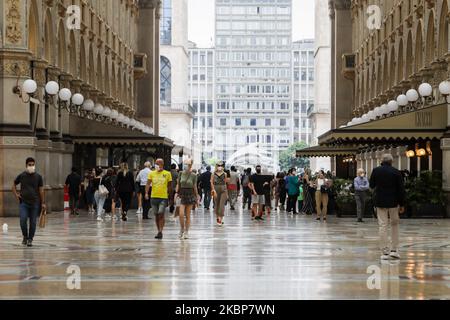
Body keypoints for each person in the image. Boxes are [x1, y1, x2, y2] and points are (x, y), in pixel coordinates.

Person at [370, 154, 406, 260]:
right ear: (391, 161)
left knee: (383, 225)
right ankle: (394, 250)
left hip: (380, 202)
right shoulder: (396, 172)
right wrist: (402, 204)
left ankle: (384, 251)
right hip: (394, 202)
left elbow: (371, 185)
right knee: (394, 224)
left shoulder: (376, 170)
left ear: (382, 161)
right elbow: (401, 189)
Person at [12, 157, 46, 247]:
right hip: (24, 203)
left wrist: (43, 203)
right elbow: (14, 184)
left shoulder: (38, 177)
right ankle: (25, 236)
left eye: (33, 165)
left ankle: (30, 239)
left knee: (33, 222)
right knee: (22, 220)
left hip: (35, 203)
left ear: (35, 165)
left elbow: (41, 190)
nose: (31, 166)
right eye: (29, 165)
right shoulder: (22, 175)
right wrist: (16, 195)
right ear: (26, 165)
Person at [145, 158, 172, 239]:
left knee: (161, 213)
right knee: (156, 215)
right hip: (154, 197)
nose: (157, 164)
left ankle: (161, 231)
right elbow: (148, 184)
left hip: (163, 197)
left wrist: (170, 197)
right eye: (156, 163)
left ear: (162, 164)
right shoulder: (151, 173)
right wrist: (146, 193)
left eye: (159, 163)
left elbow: (170, 186)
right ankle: (158, 231)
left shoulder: (167, 173)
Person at [175, 159, 199, 239]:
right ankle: (181, 229)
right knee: (181, 214)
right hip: (182, 194)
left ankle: (186, 232)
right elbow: (178, 184)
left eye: (187, 164)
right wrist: (176, 193)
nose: (185, 165)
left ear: (190, 165)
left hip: (190, 194)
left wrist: (197, 196)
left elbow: (195, 186)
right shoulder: (180, 173)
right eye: (185, 164)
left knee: (188, 215)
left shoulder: (194, 175)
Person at [211, 161, 228, 225]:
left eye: (221, 165)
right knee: (216, 204)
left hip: (223, 188)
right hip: (215, 188)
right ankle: (218, 217)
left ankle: (220, 219)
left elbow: (225, 182)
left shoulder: (225, 174)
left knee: (222, 204)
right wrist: (213, 190)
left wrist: (226, 192)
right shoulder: (213, 174)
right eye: (218, 165)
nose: (220, 167)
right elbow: (211, 182)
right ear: (216, 166)